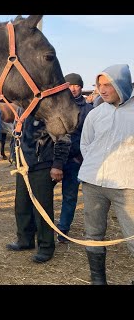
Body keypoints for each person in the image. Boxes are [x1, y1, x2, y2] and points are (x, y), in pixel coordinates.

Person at [78, 64, 134, 285]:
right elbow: (86, 144)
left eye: (107, 84)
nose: (102, 89)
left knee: (132, 236)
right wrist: (95, 164)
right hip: (93, 184)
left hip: (127, 185)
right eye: (99, 85)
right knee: (93, 234)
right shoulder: (96, 113)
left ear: (121, 83)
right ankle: (98, 280)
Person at [6, 108, 70, 263]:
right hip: (23, 165)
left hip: (41, 165)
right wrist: (14, 156)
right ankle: (25, 240)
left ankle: (46, 246)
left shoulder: (47, 109)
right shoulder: (21, 110)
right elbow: (16, 135)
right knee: (21, 205)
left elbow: (63, 138)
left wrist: (58, 164)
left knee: (42, 209)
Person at [56, 73, 93, 243]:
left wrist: (81, 157)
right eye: (69, 85)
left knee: (69, 196)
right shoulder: (57, 107)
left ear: (81, 87)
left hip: (74, 160)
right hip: (55, 159)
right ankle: (41, 224)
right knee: (44, 192)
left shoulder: (89, 111)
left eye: (77, 85)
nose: (73, 88)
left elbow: (92, 137)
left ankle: (63, 229)